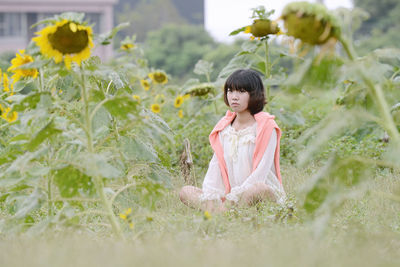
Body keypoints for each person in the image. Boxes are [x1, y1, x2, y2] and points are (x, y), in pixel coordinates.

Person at [179, 69, 285, 213]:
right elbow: (215, 166)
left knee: (257, 188)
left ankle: (221, 214)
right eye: (230, 91)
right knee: (186, 191)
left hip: (259, 193)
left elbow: (261, 173)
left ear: (254, 94)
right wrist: (211, 195)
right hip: (230, 197)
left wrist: (234, 198)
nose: (234, 97)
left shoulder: (266, 127)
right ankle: (226, 213)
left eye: (241, 92)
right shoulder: (224, 128)